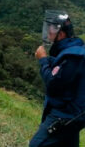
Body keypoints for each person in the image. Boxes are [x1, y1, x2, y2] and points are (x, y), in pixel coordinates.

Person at [30, 10, 85, 147]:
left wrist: (43, 60)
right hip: (75, 114)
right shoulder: (74, 49)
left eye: (51, 31)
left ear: (60, 34)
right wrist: (49, 60)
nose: (48, 33)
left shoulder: (72, 56)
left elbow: (53, 83)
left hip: (66, 114)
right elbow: (63, 71)